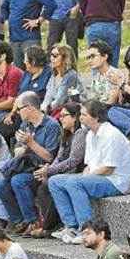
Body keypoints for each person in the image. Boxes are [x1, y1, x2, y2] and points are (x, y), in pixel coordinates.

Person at [49, 100, 130, 244]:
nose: (80, 118)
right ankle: (71, 226)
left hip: (116, 181)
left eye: (84, 114)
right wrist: (86, 174)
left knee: (73, 182)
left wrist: (85, 176)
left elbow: (108, 168)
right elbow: (88, 165)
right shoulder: (90, 135)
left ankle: (87, 230)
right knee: (54, 181)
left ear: (95, 117)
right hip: (98, 176)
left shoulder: (111, 134)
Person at [0, 91, 61, 235]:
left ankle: (33, 220)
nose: (17, 113)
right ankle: (18, 220)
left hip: (42, 169)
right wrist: (21, 148)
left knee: (18, 181)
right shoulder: (26, 124)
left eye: (19, 109)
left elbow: (49, 157)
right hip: (26, 165)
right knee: (0, 185)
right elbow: (19, 148)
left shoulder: (51, 125)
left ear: (30, 108)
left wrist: (30, 143)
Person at [30, 102, 87, 238]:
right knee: (38, 182)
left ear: (75, 117)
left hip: (77, 171)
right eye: (60, 116)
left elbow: (74, 160)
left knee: (47, 186)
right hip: (64, 171)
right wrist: (48, 169)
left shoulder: (80, 134)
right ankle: (47, 224)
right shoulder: (66, 134)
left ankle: (49, 227)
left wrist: (50, 171)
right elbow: (59, 157)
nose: (61, 119)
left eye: (64, 116)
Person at [1, 0, 57, 67]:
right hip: (14, 40)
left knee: (35, 69)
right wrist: (5, 21)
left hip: (30, 39)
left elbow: (52, 4)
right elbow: (3, 8)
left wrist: (39, 20)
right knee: (18, 73)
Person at [41, 44, 81, 114]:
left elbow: (60, 100)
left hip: (68, 111)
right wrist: (43, 107)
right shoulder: (54, 75)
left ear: (65, 58)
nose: (52, 58)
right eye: (51, 55)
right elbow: (48, 96)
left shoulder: (71, 75)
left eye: (55, 56)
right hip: (54, 110)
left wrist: (45, 110)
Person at [84, 40, 126, 105]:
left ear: (105, 56)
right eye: (88, 58)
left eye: (93, 56)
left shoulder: (115, 74)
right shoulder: (97, 76)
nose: (89, 61)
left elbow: (112, 102)